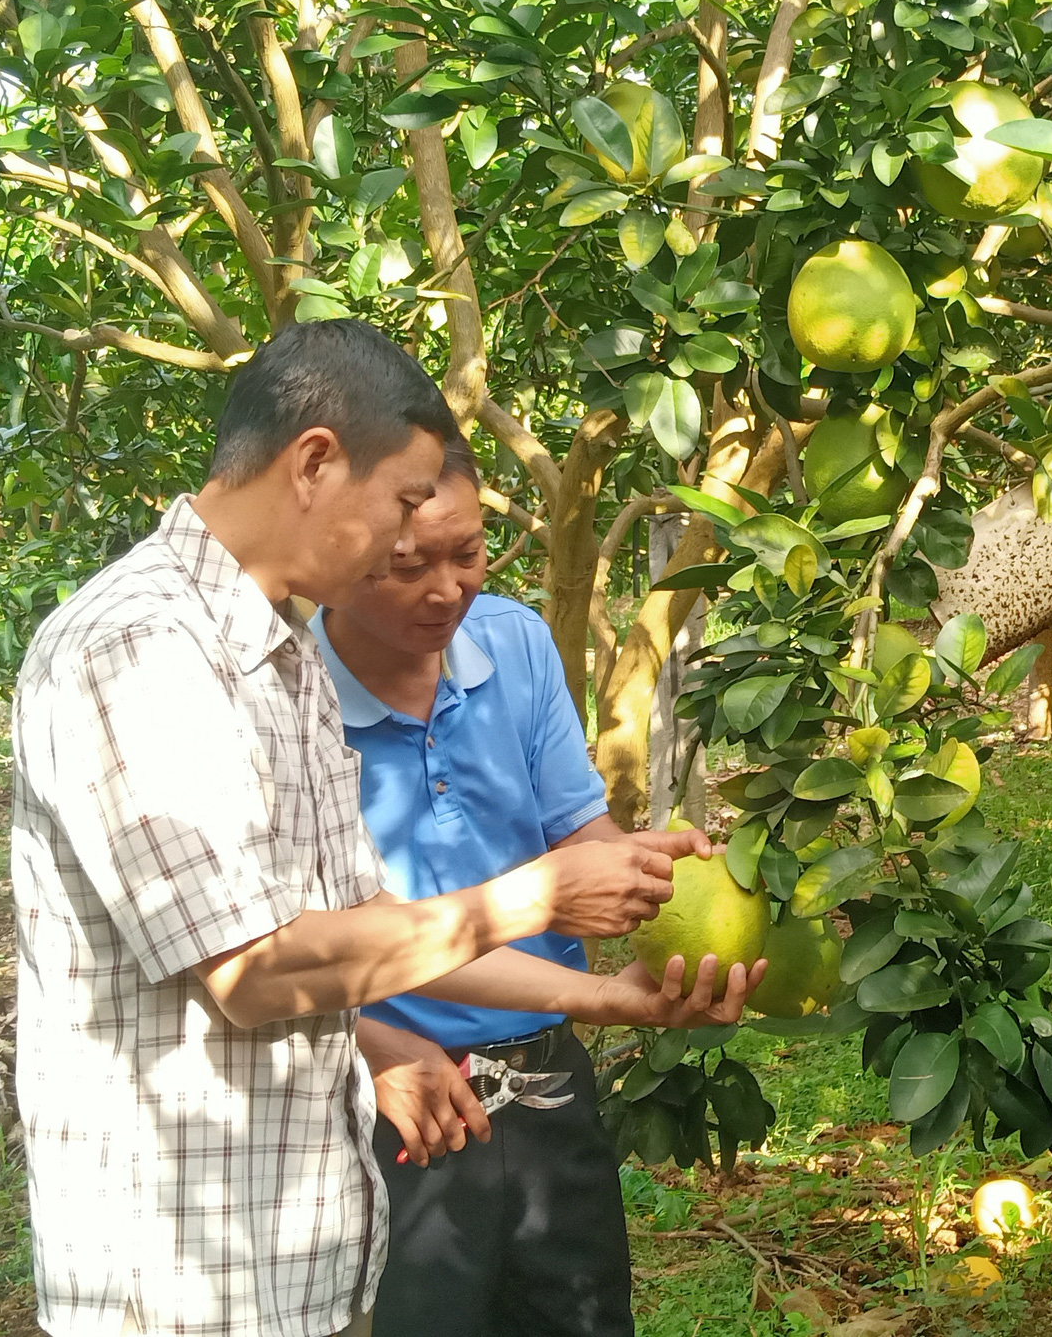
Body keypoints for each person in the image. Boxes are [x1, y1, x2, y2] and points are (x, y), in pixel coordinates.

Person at [10, 320, 716, 1337]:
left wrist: (602, 997)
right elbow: (254, 969)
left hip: (296, 1252)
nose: (406, 546)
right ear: (313, 464)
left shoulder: (275, 654)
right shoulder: (141, 648)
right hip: (179, 1275)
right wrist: (538, 894)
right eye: (396, 507)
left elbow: (374, 932)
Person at [307, 434, 762, 1337]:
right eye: (409, 565)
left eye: (467, 554)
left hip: (549, 1076)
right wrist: (368, 1043)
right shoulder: (290, 696)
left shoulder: (513, 645)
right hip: (404, 1098)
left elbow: (576, 831)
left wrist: (644, 871)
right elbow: (285, 944)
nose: (447, 589)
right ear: (341, 553)